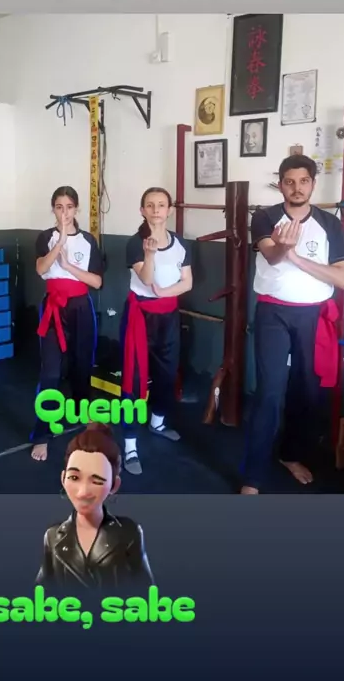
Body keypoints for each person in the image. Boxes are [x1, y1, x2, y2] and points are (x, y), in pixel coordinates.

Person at [240, 155, 344, 495]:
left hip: (313, 316)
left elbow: (343, 278)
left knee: (307, 390)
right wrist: (282, 248)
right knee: (269, 393)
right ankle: (252, 477)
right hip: (273, 313)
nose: (297, 188)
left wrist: (297, 257)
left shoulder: (329, 224)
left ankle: (290, 455)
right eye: (290, 181)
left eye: (303, 181)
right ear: (281, 184)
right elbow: (271, 255)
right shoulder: (265, 216)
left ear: (313, 184)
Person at [120, 187, 193, 475]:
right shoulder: (134, 243)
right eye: (149, 205)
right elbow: (146, 278)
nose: (155, 210)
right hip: (140, 317)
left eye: (161, 205)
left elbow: (187, 282)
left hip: (168, 316)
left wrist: (164, 293)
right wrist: (149, 255)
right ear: (142, 210)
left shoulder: (180, 243)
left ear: (169, 210)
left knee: (167, 372)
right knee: (133, 378)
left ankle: (157, 422)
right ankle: (129, 444)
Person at [30, 186, 104, 462]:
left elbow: (97, 281)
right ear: (53, 209)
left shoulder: (88, 240)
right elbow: (41, 269)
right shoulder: (45, 237)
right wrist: (60, 242)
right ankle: (41, 434)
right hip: (53, 309)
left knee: (82, 365)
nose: (64, 213)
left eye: (69, 207)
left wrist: (70, 266)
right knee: (50, 372)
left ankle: (82, 415)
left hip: (81, 308)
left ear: (77, 209)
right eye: (59, 207)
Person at [36, 423, 154, 590]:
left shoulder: (129, 533)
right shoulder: (52, 536)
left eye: (97, 481)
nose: (83, 492)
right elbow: (41, 589)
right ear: (63, 478)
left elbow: (146, 588)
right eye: (74, 478)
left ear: (114, 485)